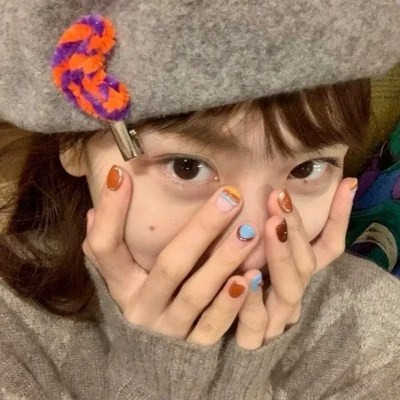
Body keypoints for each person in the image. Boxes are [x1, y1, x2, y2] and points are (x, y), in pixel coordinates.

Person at [1, 3, 400, 400]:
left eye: (307, 169)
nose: (253, 246)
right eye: (187, 167)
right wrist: (162, 380)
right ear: (73, 145)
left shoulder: (374, 330)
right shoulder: (11, 331)